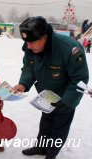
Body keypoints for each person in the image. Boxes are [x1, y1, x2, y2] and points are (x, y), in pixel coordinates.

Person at [14, 16, 89, 159]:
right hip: (47, 96)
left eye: (32, 42)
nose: (28, 46)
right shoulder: (31, 47)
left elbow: (80, 79)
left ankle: (51, 154)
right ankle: (41, 148)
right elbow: (29, 67)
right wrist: (23, 84)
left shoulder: (69, 48)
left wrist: (66, 102)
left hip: (65, 97)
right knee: (46, 123)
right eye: (26, 42)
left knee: (59, 128)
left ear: (44, 37)